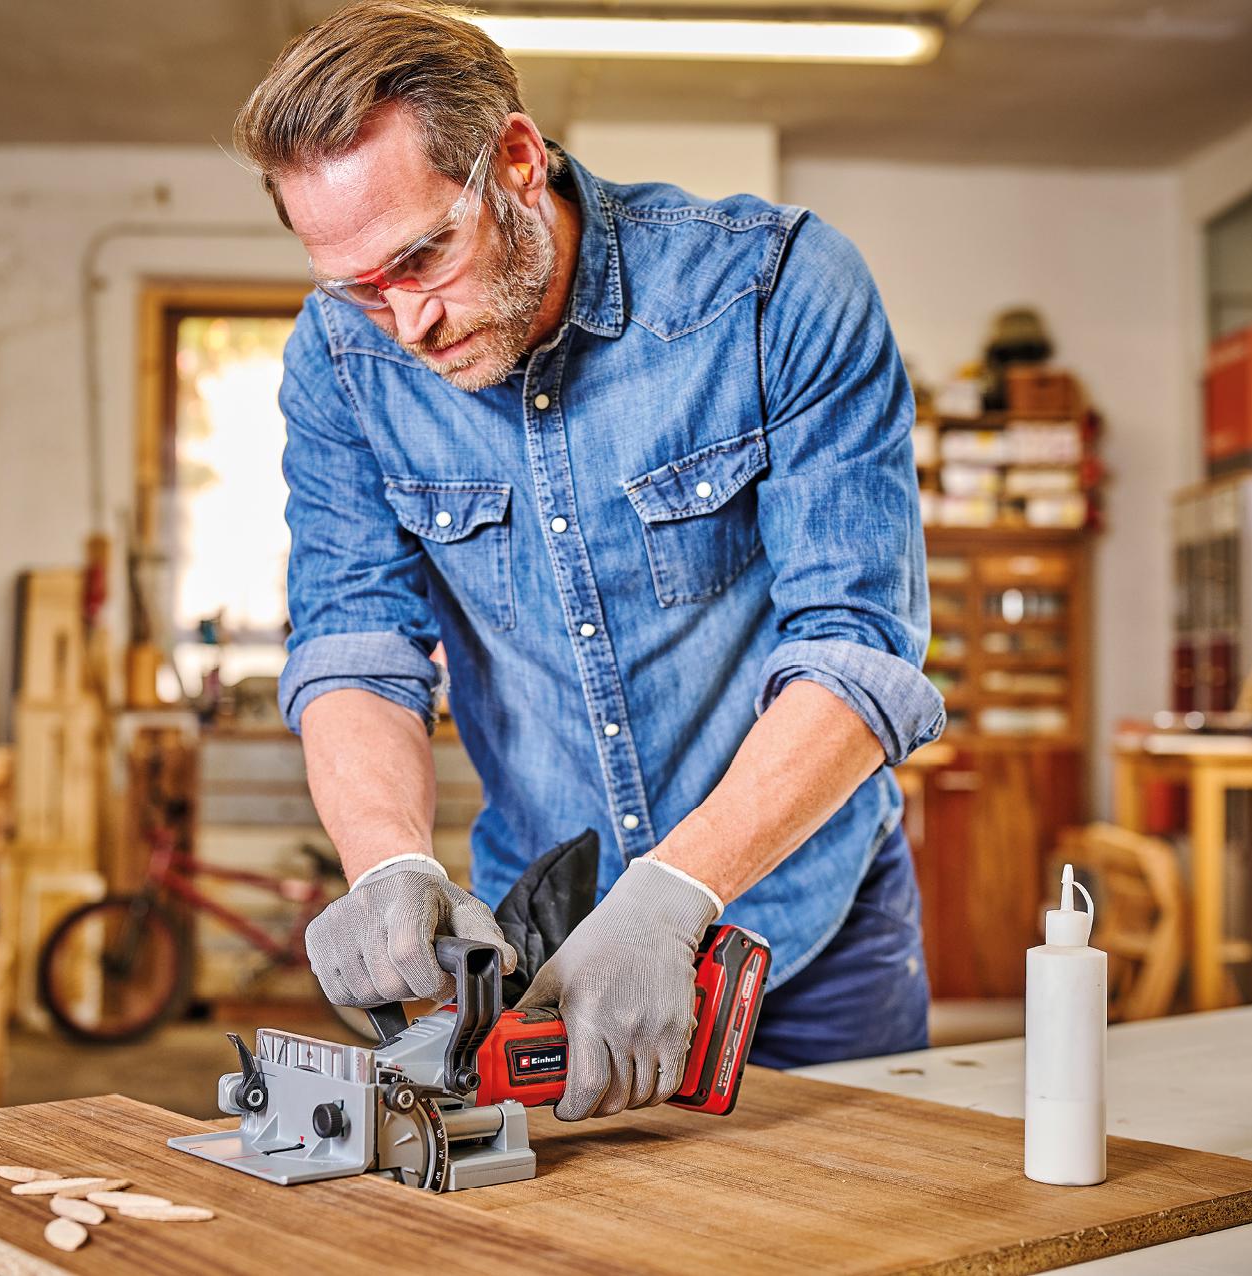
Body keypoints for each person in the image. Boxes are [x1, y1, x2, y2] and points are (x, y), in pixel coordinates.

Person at [238, 1, 945, 1121]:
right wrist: (385, 862)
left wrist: (674, 892)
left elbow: (855, 650)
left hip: (804, 926)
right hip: (543, 932)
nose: (406, 324)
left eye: (421, 256)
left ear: (517, 162)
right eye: (359, 286)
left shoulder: (775, 290)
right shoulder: (341, 363)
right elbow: (355, 644)